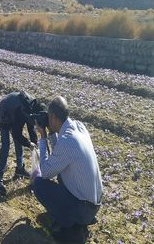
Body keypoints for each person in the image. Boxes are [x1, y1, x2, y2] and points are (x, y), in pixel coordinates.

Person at [31, 96, 103, 242]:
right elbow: (61, 154)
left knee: (38, 184)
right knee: (60, 174)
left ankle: (70, 224)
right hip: (94, 203)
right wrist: (52, 132)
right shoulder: (78, 126)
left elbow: (45, 172)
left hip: (84, 210)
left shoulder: (67, 141)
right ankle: (75, 217)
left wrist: (43, 137)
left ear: (52, 116)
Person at [0, 91, 45, 195]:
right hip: (5, 110)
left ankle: (19, 169)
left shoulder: (33, 109)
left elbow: (31, 128)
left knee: (18, 142)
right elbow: (16, 134)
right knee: (6, 145)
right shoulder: (23, 111)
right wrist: (28, 144)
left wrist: (35, 143)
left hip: (14, 109)